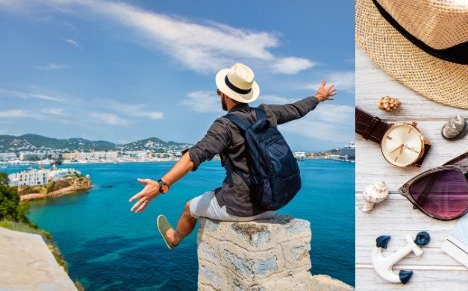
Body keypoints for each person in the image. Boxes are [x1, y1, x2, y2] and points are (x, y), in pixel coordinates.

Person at [127, 62, 337, 249]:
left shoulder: (225, 125)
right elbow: (297, 109)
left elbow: (194, 156)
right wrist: (319, 96)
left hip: (240, 207)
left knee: (189, 208)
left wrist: (161, 184)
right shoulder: (267, 113)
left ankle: (174, 238)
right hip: (272, 202)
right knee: (212, 195)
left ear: (224, 94)